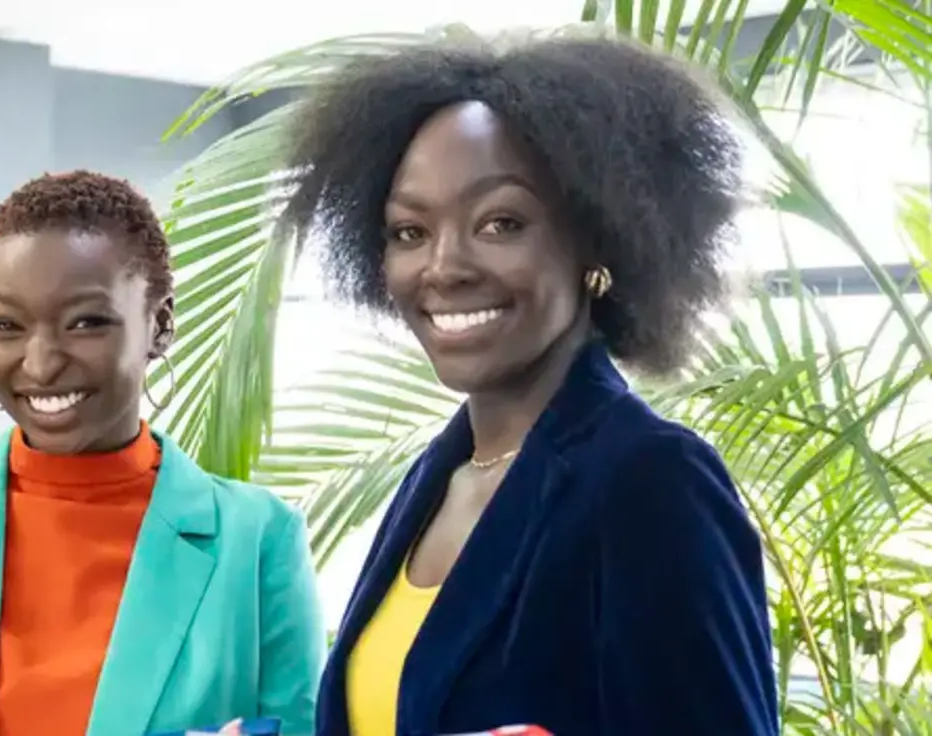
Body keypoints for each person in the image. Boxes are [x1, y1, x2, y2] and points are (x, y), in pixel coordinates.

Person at [278, 35, 779, 735]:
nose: (444, 266)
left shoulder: (650, 480)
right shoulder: (438, 477)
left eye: (501, 223)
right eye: (410, 231)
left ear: (598, 241)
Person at [0, 170, 327, 736]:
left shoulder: (259, 540)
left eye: (85, 322)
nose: (39, 363)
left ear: (160, 325)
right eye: (5, 325)